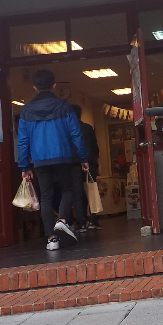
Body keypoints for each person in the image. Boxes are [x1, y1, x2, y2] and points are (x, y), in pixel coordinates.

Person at [17, 69, 90, 251]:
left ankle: (51, 239)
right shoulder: (64, 106)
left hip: (40, 160)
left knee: (46, 196)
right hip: (62, 156)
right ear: (54, 85)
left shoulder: (26, 111)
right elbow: (75, 134)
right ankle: (62, 220)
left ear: (34, 87)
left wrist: (24, 166)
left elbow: (23, 140)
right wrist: (83, 157)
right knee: (68, 190)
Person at [54, 104, 102, 232]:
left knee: (77, 193)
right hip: (89, 163)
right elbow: (95, 147)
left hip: (73, 165)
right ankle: (92, 220)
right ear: (80, 114)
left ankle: (81, 223)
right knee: (91, 191)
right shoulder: (88, 128)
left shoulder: (64, 130)